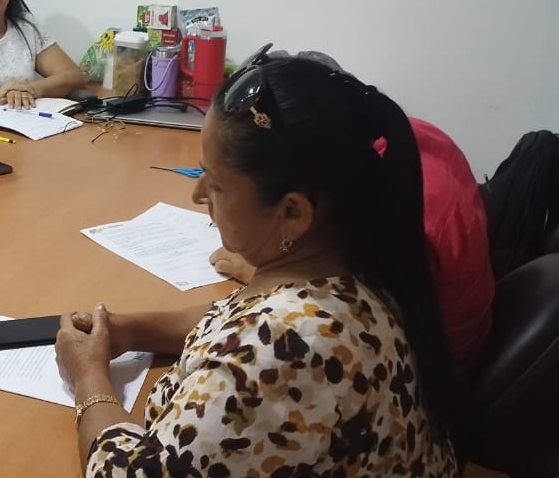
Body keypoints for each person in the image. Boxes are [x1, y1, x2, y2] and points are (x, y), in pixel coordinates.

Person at [55, 49, 458, 476]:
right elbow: (229, 315)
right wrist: (129, 330)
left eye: (217, 185)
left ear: (292, 213)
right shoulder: (352, 257)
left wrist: (90, 378)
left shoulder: (278, 355)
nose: (197, 194)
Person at [210, 116, 494, 377]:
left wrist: (267, 270)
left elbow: (351, 315)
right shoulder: (398, 138)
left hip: (430, 378)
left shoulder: (411, 217)